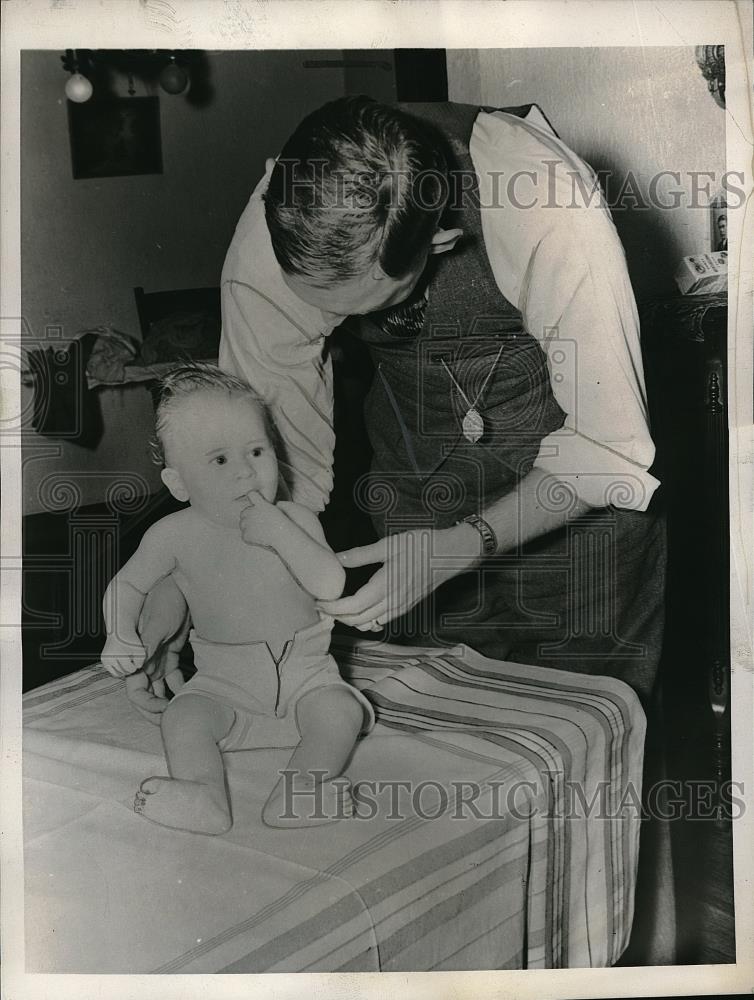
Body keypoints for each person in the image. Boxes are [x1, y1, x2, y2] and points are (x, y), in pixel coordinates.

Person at [216, 96, 666, 703]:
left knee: (588, 728)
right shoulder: (270, 236)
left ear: (441, 241)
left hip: (582, 517)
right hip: (417, 483)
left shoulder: (544, 200)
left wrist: (460, 545)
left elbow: (605, 446)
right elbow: (271, 470)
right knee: (447, 729)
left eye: (356, 308)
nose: (323, 325)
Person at [101, 364, 374, 834]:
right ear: (178, 484)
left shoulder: (296, 519)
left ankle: (299, 795)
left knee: (340, 711)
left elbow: (330, 584)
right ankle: (204, 796)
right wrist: (120, 633)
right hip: (223, 686)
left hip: (307, 678)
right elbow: (126, 585)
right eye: (220, 460)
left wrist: (283, 536)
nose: (247, 470)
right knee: (184, 717)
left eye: (256, 450)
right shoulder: (172, 535)